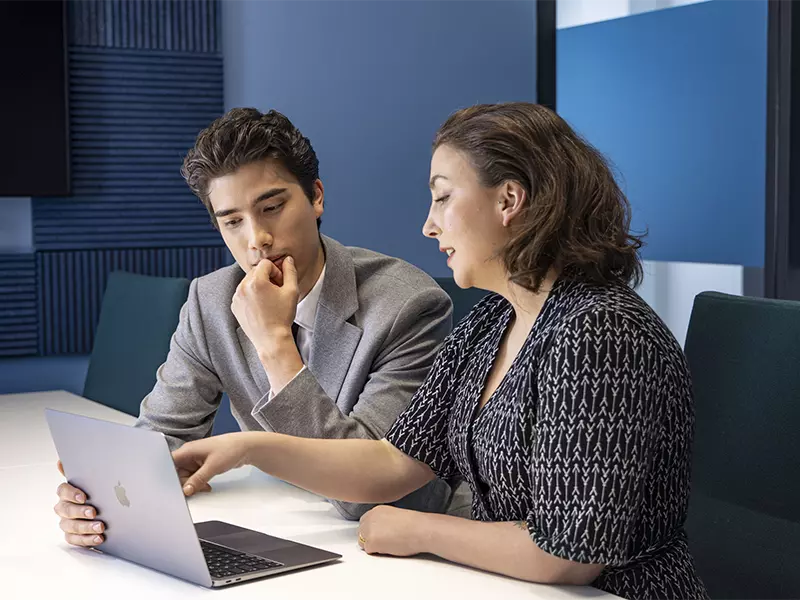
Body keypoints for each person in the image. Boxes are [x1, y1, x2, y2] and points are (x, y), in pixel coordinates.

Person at [128, 102, 710, 599]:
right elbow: (391, 463)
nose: (429, 227)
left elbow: (569, 556)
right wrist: (250, 446)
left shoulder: (599, 333)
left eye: (442, 198)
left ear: (509, 199)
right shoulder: (490, 324)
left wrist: (419, 531)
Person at [52, 108, 455, 542]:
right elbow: (164, 434)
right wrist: (102, 498)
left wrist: (275, 343)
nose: (256, 239)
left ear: (316, 197)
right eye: (232, 221)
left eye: (273, 207)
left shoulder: (408, 305)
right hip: (274, 525)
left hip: (389, 545)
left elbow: (368, 494)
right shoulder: (210, 301)